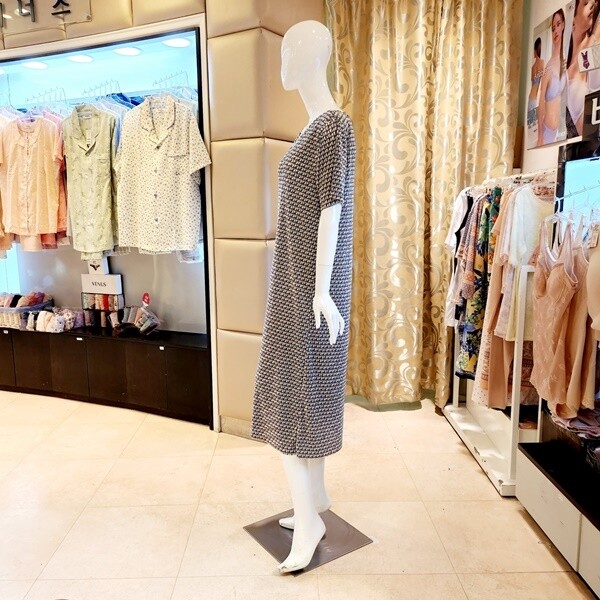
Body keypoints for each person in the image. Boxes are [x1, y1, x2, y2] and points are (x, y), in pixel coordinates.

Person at [251, 20, 355, 573]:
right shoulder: (318, 126)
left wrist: (320, 291)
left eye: (290, 48)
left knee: (295, 396)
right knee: (306, 392)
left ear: (315, 55)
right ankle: (314, 500)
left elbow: (331, 209)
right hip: (299, 280)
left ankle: (310, 520)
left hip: (311, 287)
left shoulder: (332, 125)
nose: (282, 58)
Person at [566, 0, 600, 137]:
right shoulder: (567, 70)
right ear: (572, 19)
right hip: (589, 143)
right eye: (585, 3)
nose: (592, 5)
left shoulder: (595, 45)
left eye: (594, 2)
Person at [537, 9, 567, 145]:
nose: (555, 31)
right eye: (553, 28)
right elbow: (541, 103)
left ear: (563, 25)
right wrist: (540, 137)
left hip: (560, 133)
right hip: (547, 132)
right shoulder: (548, 67)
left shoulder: (565, 61)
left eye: (558, 24)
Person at [528, 37, 545, 112]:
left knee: (530, 119)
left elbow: (533, 84)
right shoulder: (542, 62)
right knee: (534, 119)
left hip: (531, 97)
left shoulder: (533, 67)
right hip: (536, 98)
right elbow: (543, 81)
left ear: (536, 50)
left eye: (533, 50)